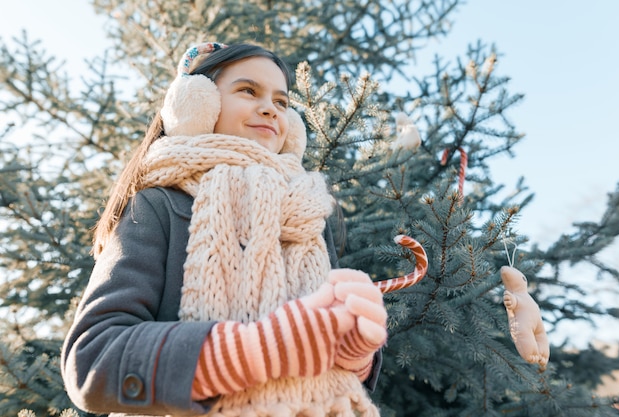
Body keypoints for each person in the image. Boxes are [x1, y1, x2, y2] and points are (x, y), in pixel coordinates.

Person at [61, 41, 388, 417]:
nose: (270, 108)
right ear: (199, 105)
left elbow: (332, 364)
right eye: (248, 91)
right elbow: (93, 357)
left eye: (282, 102)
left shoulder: (309, 214)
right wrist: (254, 350)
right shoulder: (159, 205)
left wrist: (355, 352)